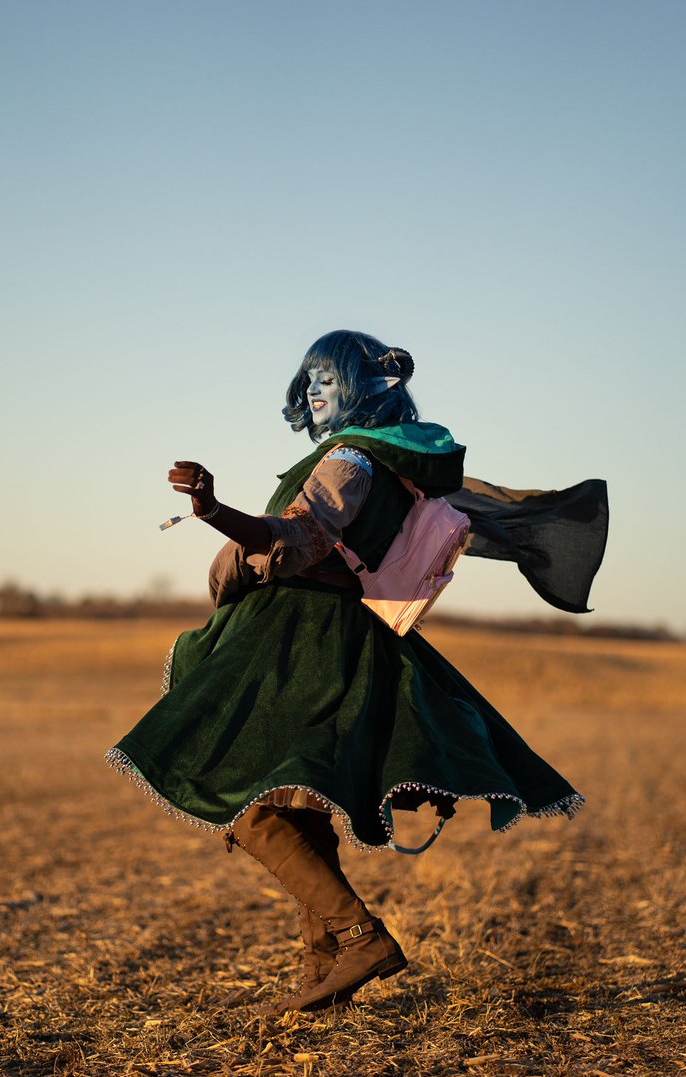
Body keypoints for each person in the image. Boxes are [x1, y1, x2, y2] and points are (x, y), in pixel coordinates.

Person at [107, 329, 608, 1014]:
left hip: (307, 640)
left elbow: (298, 541)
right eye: (307, 378)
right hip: (324, 637)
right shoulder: (388, 462)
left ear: (366, 389)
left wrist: (214, 513)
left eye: (328, 378)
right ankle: (323, 976)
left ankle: (360, 938)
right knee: (294, 807)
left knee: (248, 807)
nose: (313, 390)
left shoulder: (350, 461)